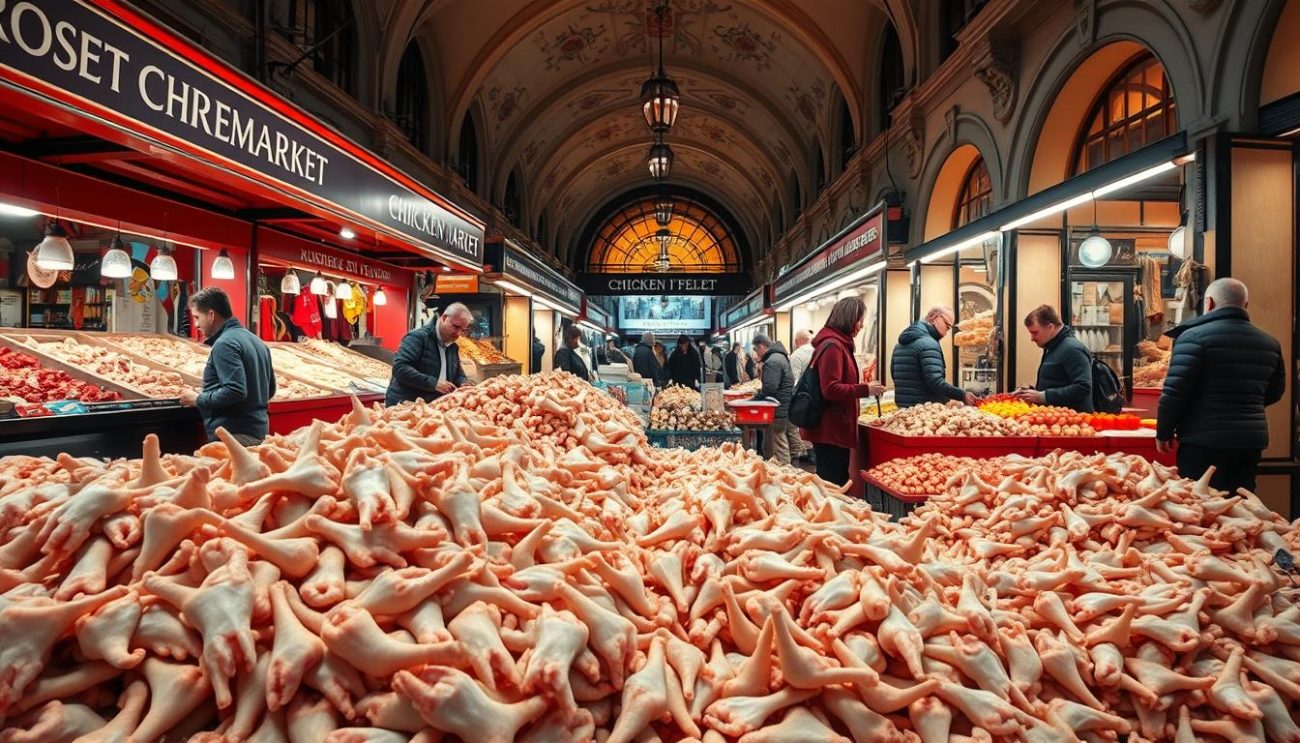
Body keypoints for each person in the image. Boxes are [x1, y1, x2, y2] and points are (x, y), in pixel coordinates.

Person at [1157, 278, 1285, 493]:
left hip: (1202, 441)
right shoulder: (1269, 342)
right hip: (1249, 441)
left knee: (1200, 505)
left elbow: (1175, 393)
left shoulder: (1193, 337)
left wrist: (1164, 432)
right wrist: (1246, 406)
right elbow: (1275, 392)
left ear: (1209, 303)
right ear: (1245, 306)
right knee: (1242, 503)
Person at [800, 296, 887, 487]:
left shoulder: (836, 344)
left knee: (833, 480)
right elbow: (830, 389)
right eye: (860, 320)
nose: (862, 325)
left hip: (833, 429)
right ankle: (829, 516)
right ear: (849, 319)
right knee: (833, 483)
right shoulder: (833, 346)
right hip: (831, 430)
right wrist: (866, 389)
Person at [180, 287, 275, 445]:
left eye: (197, 317)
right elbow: (269, 390)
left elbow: (235, 390)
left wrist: (198, 399)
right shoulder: (257, 342)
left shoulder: (225, 343)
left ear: (211, 315)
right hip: (258, 433)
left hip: (234, 437)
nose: (196, 324)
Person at [386, 303, 472, 406]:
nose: (458, 333)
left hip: (433, 407)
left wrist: (463, 382)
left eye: (463, 330)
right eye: (456, 326)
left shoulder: (453, 347)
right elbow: (400, 368)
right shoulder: (417, 337)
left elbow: (458, 374)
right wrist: (434, 384)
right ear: (444, 318)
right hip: (406, 406)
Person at [891, 305, 977, 407]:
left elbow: (894, 374)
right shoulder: (929, 343)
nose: (946, 332)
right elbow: (935, 382)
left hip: (903, 408)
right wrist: (962, 394)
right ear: (935, 317)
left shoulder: (900, 344)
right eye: (947, 325)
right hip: (924, 411)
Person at [1015, 304, 1093, 412]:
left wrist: (1042, 396)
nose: (1032, 339)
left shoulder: (1073, 349)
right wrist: (1030, 392)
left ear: (1050, 327)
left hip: (1073, 421)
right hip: (1055, 418)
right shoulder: (1052, 347)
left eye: (1035, 332)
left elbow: (1083, 388)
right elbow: (1056, 382)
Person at [752, 333, 799, 465]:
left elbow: (770, 389)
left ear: (761, 346)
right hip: (784, 405)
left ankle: (786, 476)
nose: (756, 354)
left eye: (756, 350)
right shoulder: (780, 356)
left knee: (779, 446)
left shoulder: (773, 361)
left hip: (777, 408)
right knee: (780, 442)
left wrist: (754, 400)